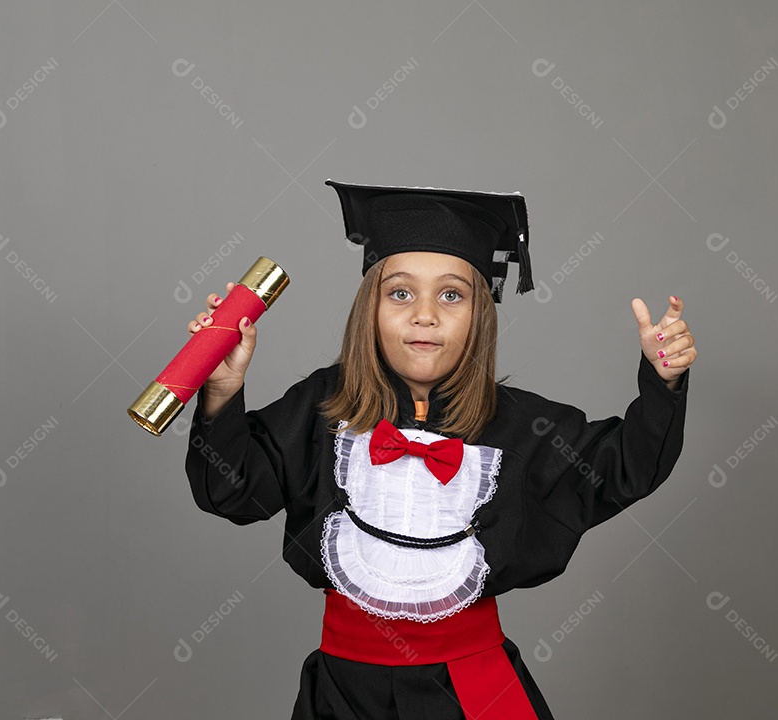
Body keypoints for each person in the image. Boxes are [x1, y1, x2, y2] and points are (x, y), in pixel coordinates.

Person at [184, 179, 696, 719]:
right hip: (342, 694)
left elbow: (624, 469)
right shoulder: (322, 406)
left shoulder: (522, 424)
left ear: (481, 313)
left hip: (471, 692)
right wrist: (221, 392)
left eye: (451, 294)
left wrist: (661, 384)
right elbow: (231, 491)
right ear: (369, 310)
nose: (423, 315)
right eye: (400, 293)